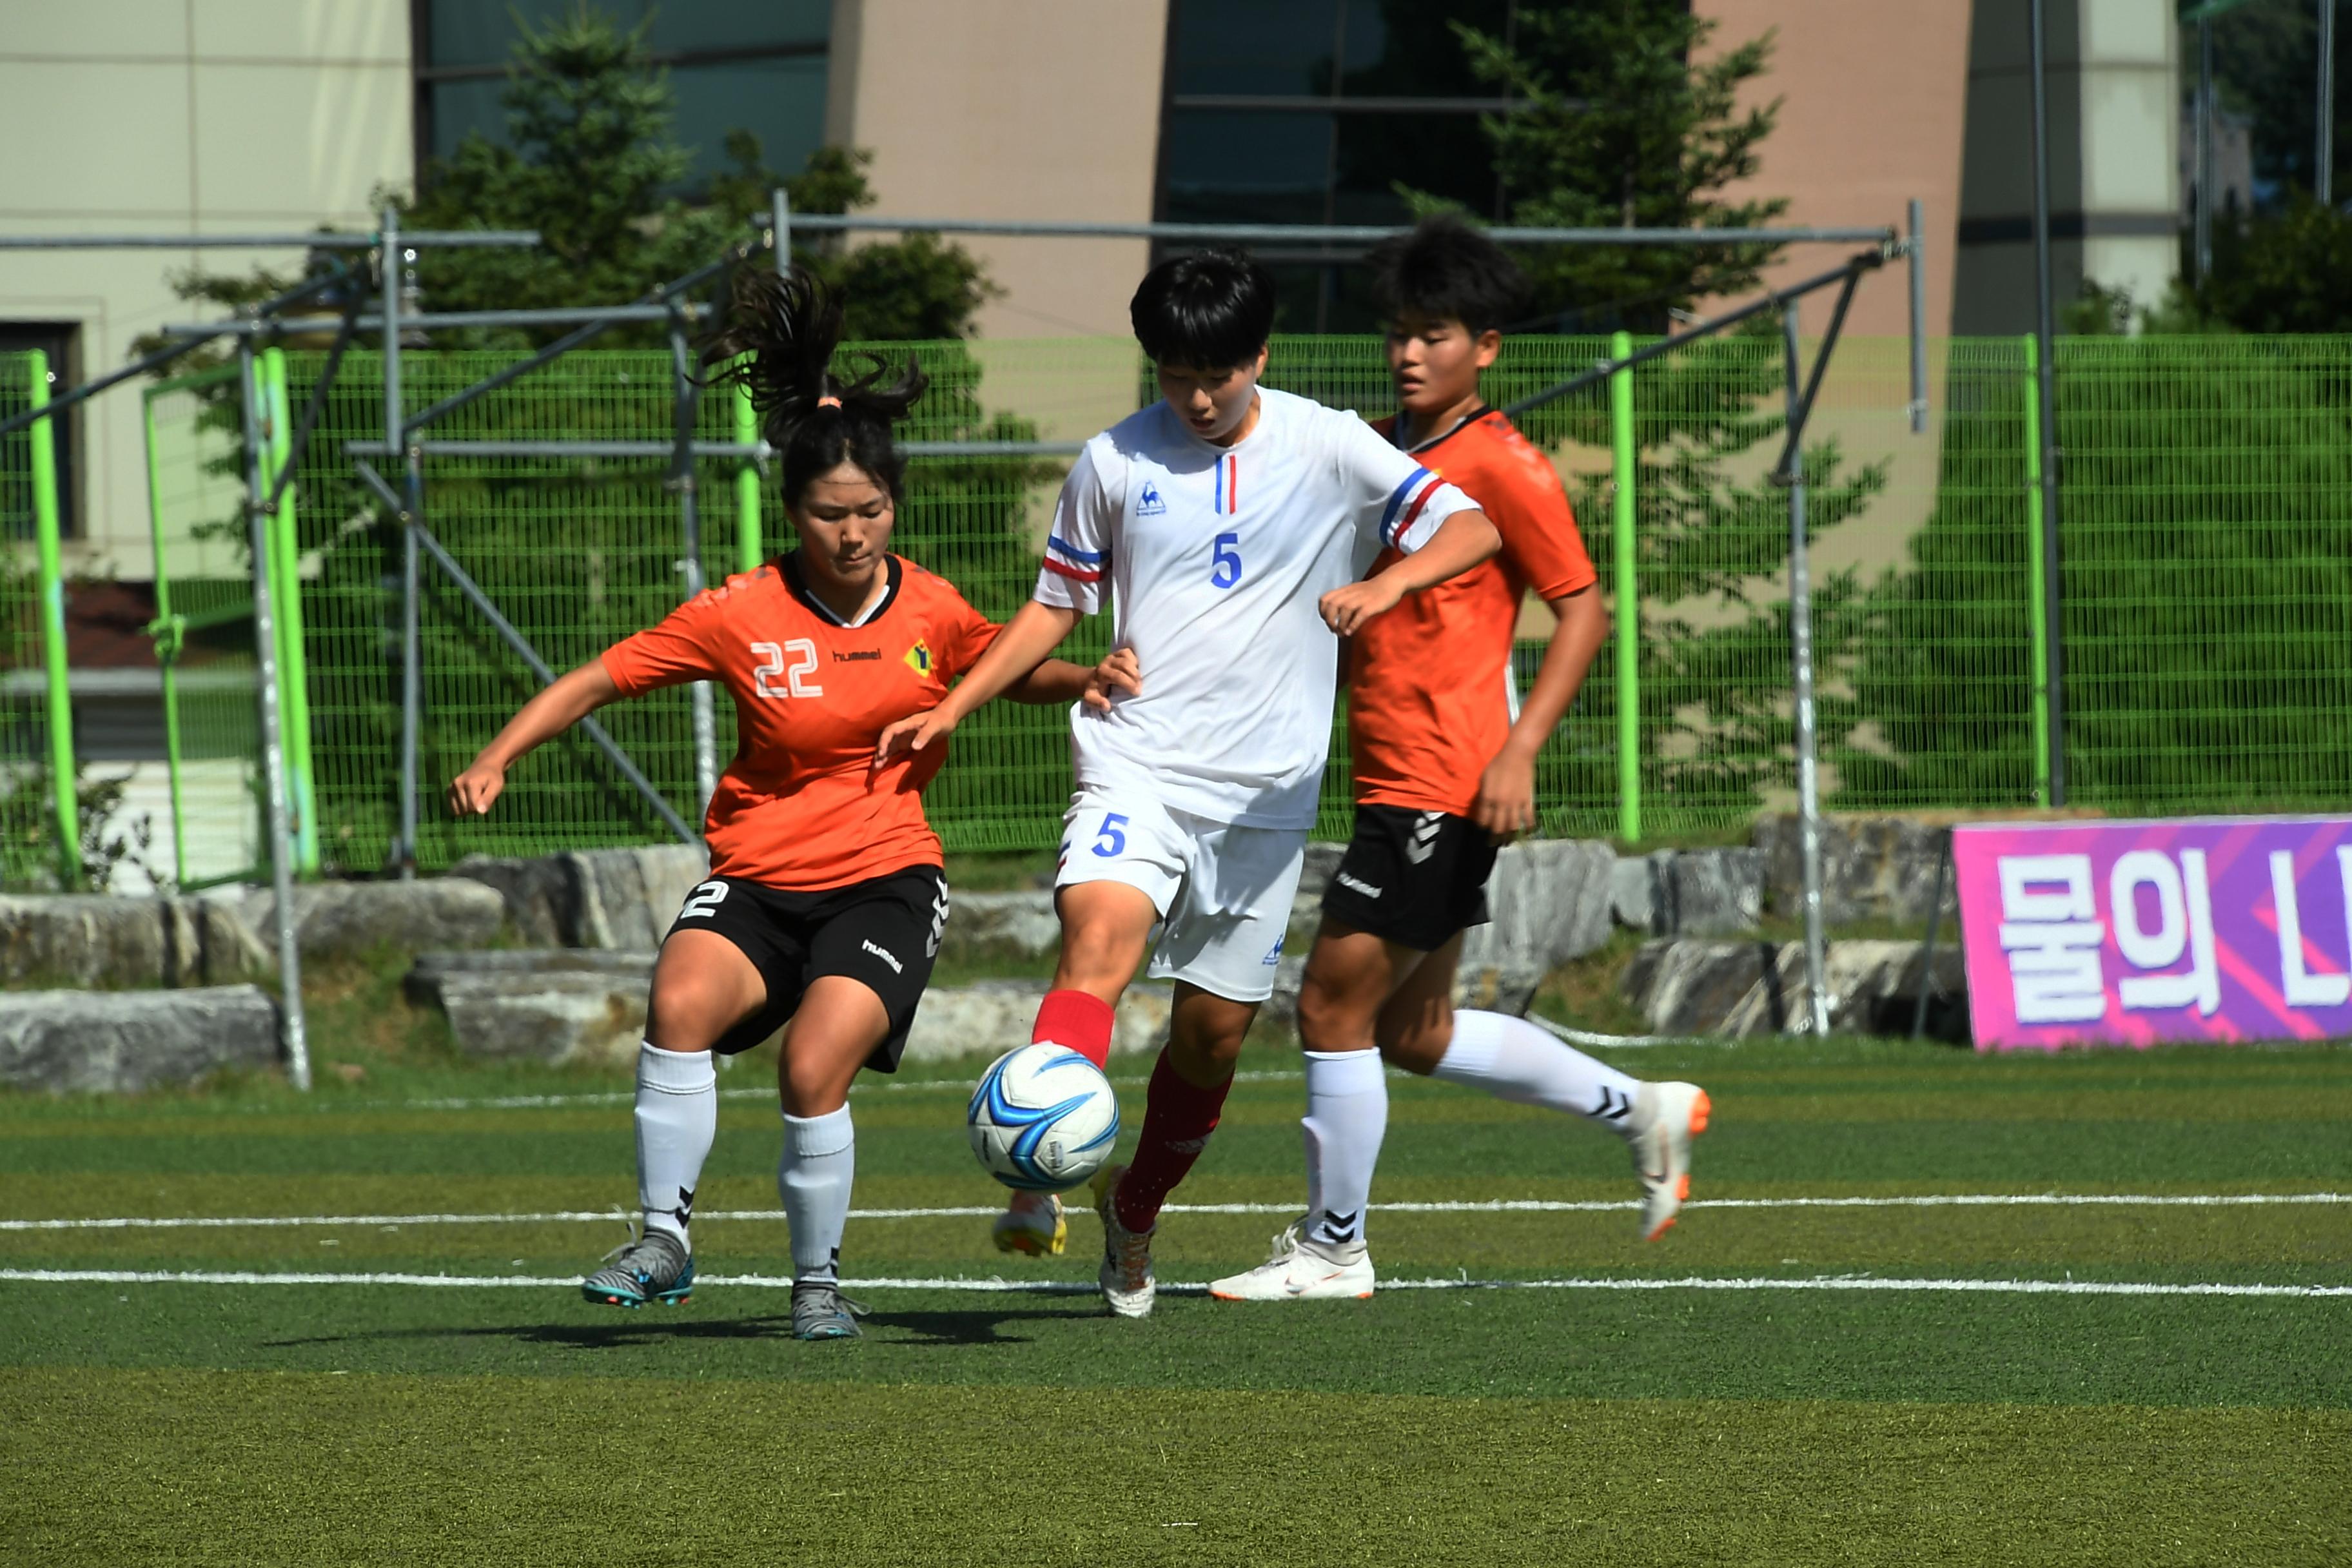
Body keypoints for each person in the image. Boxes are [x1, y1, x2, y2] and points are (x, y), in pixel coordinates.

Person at [446, 266, 1132, 1340]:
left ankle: (817, 1285)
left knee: (814, 1066)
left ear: (892, 507)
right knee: (678, 1001)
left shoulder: (935, 606)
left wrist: (1083, 675)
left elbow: (1007, 665)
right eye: (829, 514)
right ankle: (664, 1241)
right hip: (761, 878)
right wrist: (497, 757)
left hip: (886, 882)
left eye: (870, 511)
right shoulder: (741, 614)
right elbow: (595, 680)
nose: (852, 533)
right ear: (794, 509)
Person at [876, 246, 1502, 1318]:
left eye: (1218, 373)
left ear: (1261, 355)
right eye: (1174, 375)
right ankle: (1039, 1170)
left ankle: (1134, 1209)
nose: (1199, 397)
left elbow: (1473, 527)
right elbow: (1052, 609)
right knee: (1100, 939)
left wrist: (1388, 584)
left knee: (1211, 1040)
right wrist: (952, 705)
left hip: (1264, 802)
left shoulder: (1330, 443)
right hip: (1138, 759)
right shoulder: (1114, 462)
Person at [1206, 216, 1710, 1304]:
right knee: (1414, 1031)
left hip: (1446, 778)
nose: (1408, 353)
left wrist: (1520, 751)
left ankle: (1335, 1248)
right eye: (1398, 333)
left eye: (1433, 334)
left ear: (1486, 345)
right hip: (1393, 775)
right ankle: (1646, 1110)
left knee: (1332, 1008)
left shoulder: (1505, 463)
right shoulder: (1385, 454)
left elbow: (1583, 610)